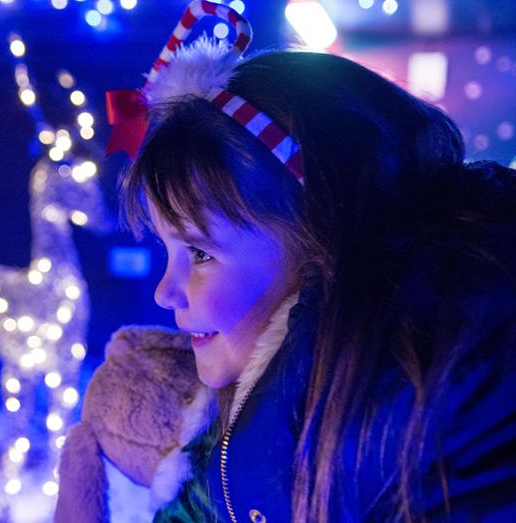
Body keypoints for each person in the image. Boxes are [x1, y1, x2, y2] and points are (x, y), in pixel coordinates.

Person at [107, 2, 516, 521]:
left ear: (322, 243)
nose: (165, 292)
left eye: (201, 252)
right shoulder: (318, 412)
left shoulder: (417, 421)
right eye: (167, 250)